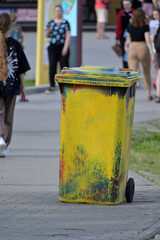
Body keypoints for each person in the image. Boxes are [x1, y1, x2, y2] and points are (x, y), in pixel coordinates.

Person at [0, 12, 30, 157]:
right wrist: (23, 88)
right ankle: (5, 143)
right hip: (12, 86)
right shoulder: (16, 44)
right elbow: (21, 70)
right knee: (8, 117)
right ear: (10, 26)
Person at [125, 8, 156, 100]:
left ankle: (130, 94)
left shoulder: (130, 26)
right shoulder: (145, 27)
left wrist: (126, 47)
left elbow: (128, 39)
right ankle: (148, 93)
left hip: (133, 48)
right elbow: (148, 40)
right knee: (146, 72)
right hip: (143, 48)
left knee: (131, 74)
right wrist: (152, 52)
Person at [46, 5, 71, 92]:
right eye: (56, 11)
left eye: (59, 11)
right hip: (53, 47)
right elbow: (47, 35)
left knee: (64, 66)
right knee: (52, 66)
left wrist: (65, 47)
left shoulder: (65, 23)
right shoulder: (50, 23)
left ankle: (65, 85)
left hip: (62, 46)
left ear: (62, 12)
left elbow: (68, 35)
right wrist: (48, 32)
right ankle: (52, 85)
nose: (58, 13)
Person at [8, 11, 29, 102]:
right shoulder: (17, 28)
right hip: (16, 51)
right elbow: (20, 39)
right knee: (20, 71)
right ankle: (22, 93)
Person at [115, 0, 135, 68]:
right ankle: (125, 68)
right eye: (124, 4)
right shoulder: (121, 13)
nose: (126, 6)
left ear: (130, 5)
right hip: (123, 36)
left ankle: (131, 67)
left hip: (132, 36)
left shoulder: (134, 12)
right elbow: (118, 25)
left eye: (127, 4)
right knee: (124, 52)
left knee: (132, 52)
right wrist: (117, 38)